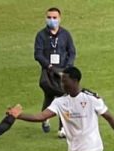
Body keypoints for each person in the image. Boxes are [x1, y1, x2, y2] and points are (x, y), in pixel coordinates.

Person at [33, 6, 76, 137]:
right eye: (49, 17)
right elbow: (38, 54)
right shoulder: (41, 35)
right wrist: (49, 66)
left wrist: (68, 67)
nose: (52, 20)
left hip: (63, 72)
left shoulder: (65, 35)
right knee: (49, 96)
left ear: (59, 19)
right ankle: (45, 117)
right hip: (48, 72)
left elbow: (72, 52)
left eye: (54, 18)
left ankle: (62, 127)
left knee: (64, 97)